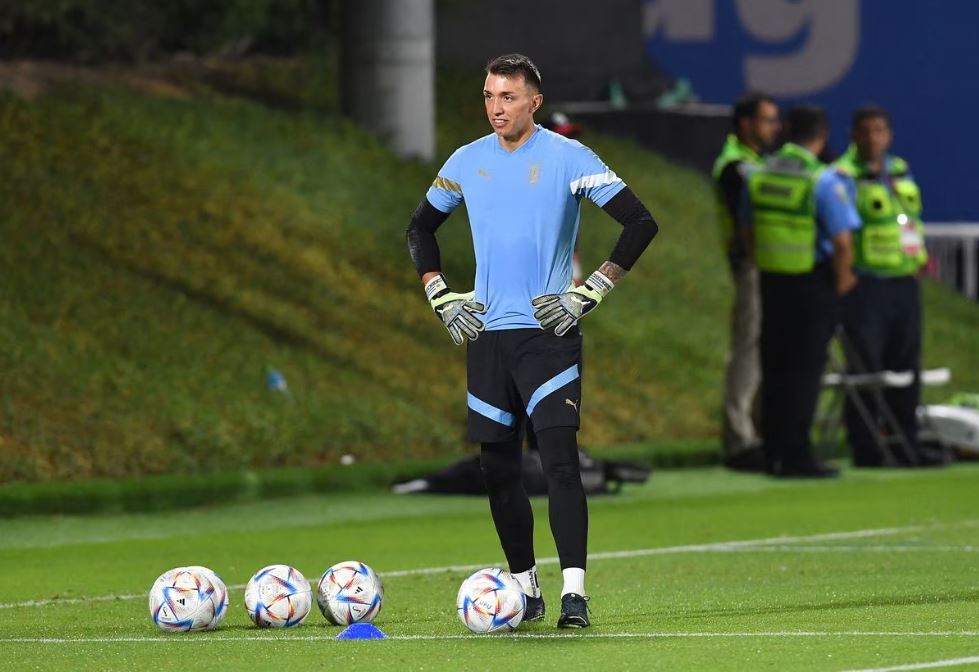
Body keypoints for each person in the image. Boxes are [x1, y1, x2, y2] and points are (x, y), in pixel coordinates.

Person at [406, 53, 658, 628]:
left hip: (549, 334)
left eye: (509, 97)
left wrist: (590, 291)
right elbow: (419, 227)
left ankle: (575, 594)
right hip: (488, 335)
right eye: (490, 97)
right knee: (497, 468)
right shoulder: (467, 161)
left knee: (560, 462)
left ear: (534, 102)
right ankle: (526, 589)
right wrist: (440, 293)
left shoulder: (570, 157)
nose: (497, 108)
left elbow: (640, 222)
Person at [744, 105, 860, 478]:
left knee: (774, 366)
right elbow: (843, 244)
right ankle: (797, 454)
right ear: (822, 136)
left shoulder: (760, 173)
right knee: (805, 371)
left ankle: (773, 450)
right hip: (811, 283)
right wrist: (841, 289)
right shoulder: (822, 180)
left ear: (786, 131)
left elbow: (746, 229)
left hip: (772, 279)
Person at [833, 106, 930, 466]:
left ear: (888, 135)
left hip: (903, 282)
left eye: (879, 130)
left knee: (907, 365)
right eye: (866, 131)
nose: (873, 137)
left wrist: (918, 257)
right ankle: (866, 445)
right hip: (866, 284)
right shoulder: (843, 176)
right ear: (853, 136)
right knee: (867, 368)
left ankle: (906, 442)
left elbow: (909, 220)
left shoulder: (900, 171)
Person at [712, 92, 780, 472]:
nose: (774, 127)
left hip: (767, 266)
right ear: (746, 124)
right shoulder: (735, 166)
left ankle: (757, 432)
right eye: (767, 120)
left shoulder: (755, 162)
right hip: (752, 265)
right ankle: (740, 439)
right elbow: (746, 226)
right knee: (748, 351)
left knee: (760, 351)